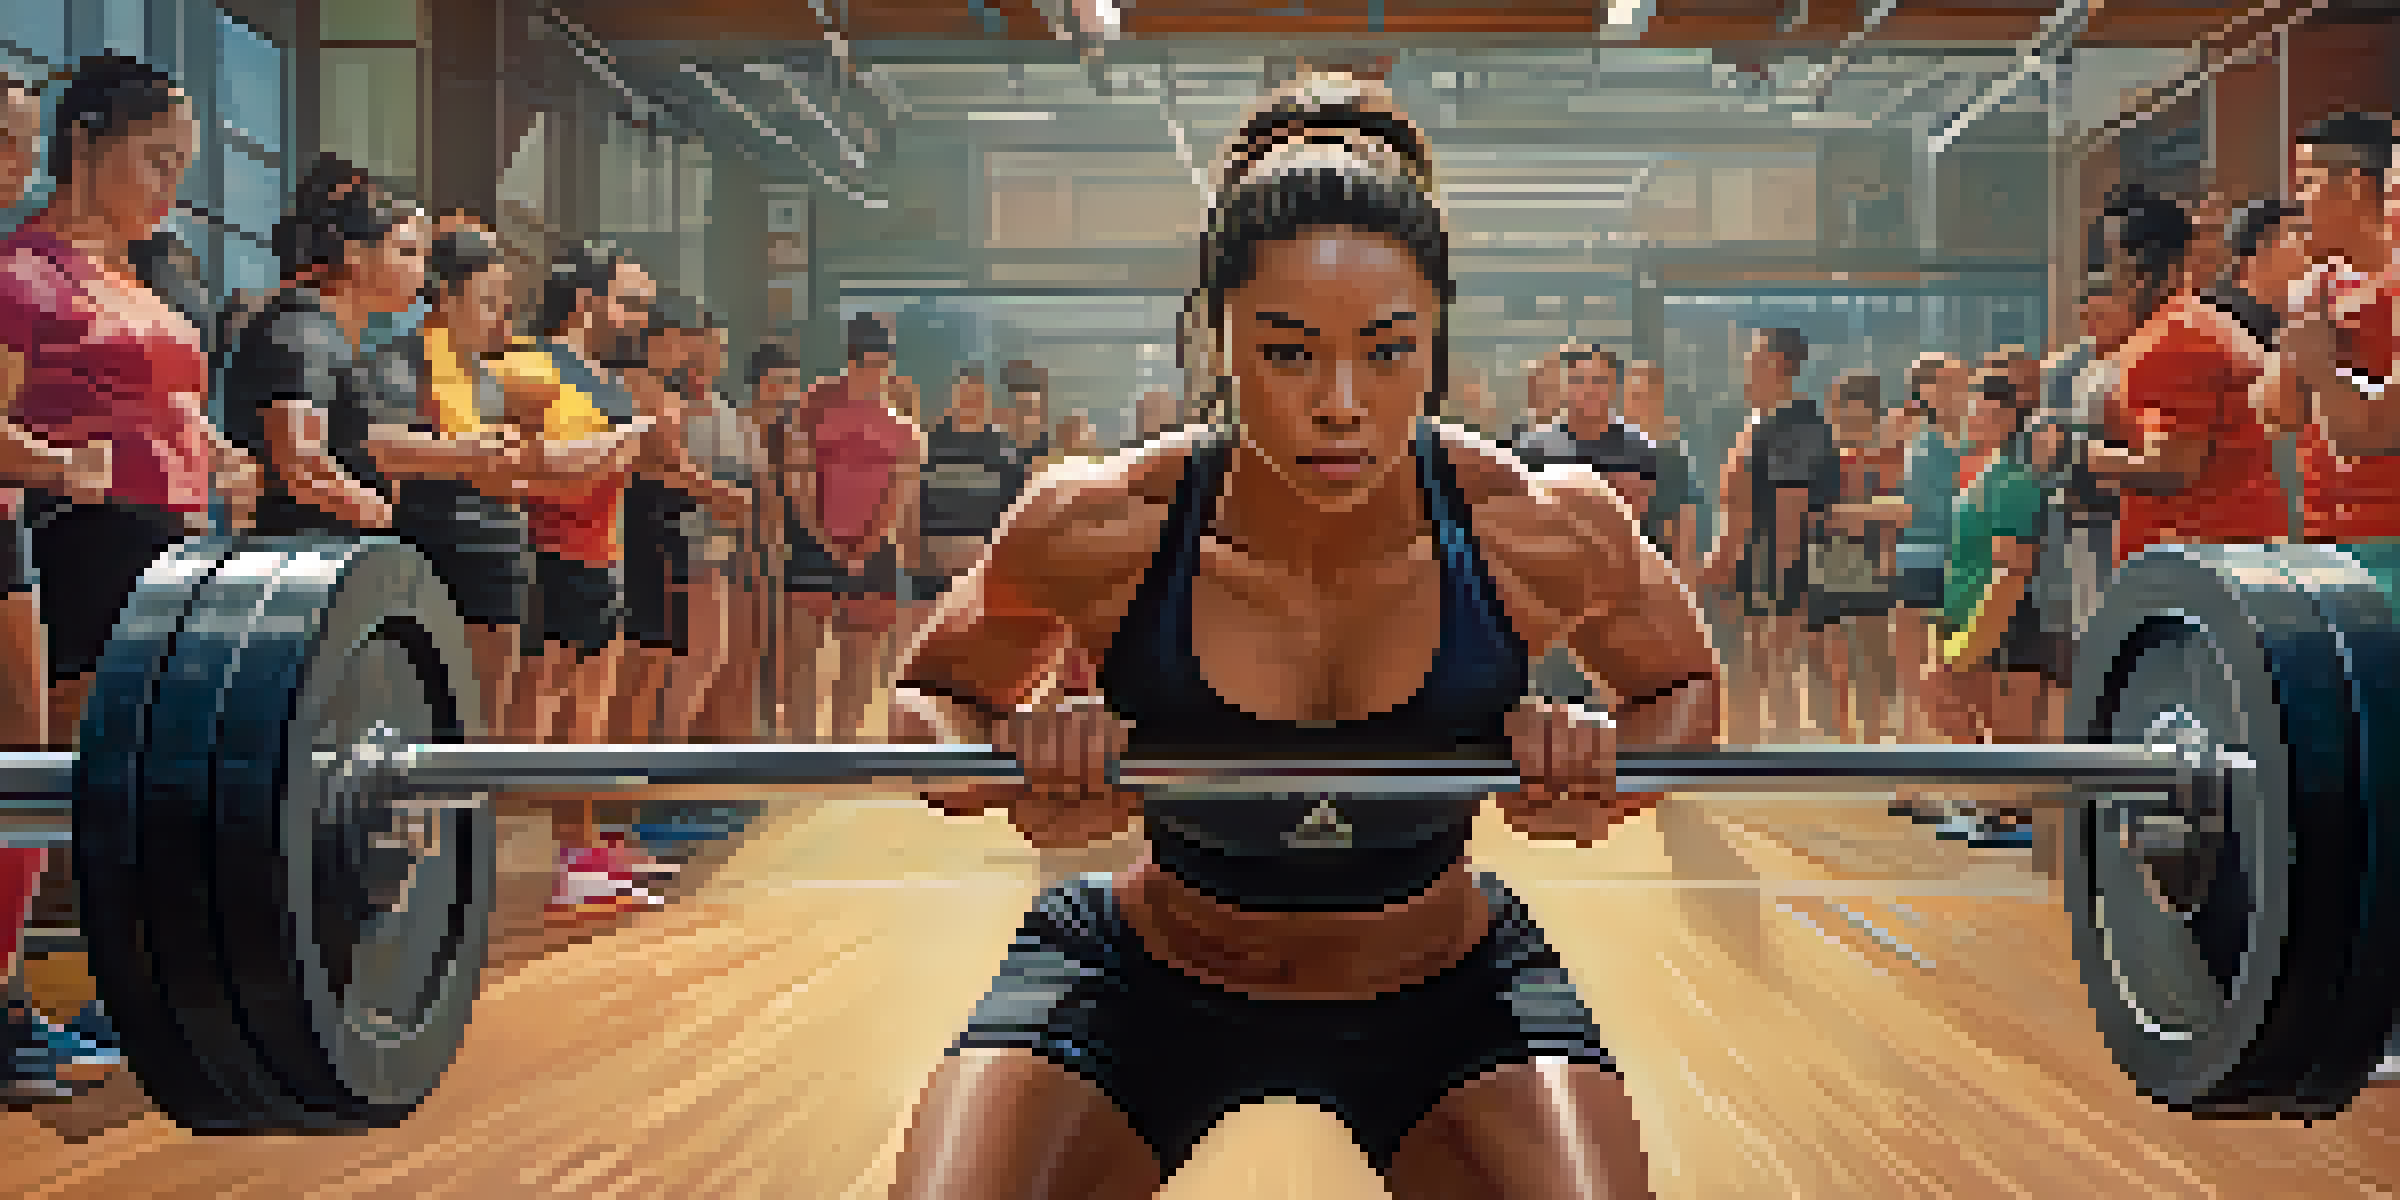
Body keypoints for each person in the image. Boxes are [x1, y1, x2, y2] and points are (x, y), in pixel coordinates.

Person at [888, 71, 1706, 1200]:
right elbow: (929, 698)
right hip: (1139, 974)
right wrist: (1008, 771)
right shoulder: (1101, 521)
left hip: (1450, 991)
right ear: (1218, 337)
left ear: (1435, 339)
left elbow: (1683, 687)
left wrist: (1608, 777)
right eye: (1286, 353)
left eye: (1388, 351)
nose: (1341, 402)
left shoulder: (1538, 525)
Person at [2, 54, 260, 1100]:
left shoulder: (134, 278)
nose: (170, 185)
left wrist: (221, 458)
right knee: (56, 780)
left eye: (181, 164)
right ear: (85, 144)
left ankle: (124, 989)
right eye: (155, 159)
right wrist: (62, 467)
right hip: (84, 545)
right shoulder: (24, 274)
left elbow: (167, 409)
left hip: (173, 545)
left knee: (146, 785)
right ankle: (15, 1001)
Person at [484, 241, 656, 874]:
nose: (640, 319)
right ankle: (498, 864)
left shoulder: (608, 380)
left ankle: (579, 851)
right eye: (629, 304)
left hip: (602, 557)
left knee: (589, 714)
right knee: (534, 716)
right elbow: (516, 465)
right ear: (588, 301)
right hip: (548, 556)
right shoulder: (526, 366)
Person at [366, 220, 541, 738]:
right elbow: (386, 449)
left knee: (487, 723)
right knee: (425, 711)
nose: (500, 316)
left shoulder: (488, 379)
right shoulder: (400, 364)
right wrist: (474, 453)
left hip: (498, 553)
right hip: (432, 552)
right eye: (488, 301)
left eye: (504, 303)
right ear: (446, 297)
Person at [2081, 184, 2287, 561]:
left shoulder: (2170, 337)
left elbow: (2175, 465)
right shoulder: (2205, 323)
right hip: (2225, 552)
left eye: (2106, 265)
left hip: (2192, 559)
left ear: (2134, 271)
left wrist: (2082, 456)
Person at [1924, 369, 2060, 846]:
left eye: (1982, 410)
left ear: (2007, 418)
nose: (1972, 416)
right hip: (1970, 613)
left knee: (2002, 723)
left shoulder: (2014, 482)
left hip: (1999, 617)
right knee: (1970, 713)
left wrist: (1982, 629)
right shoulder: (1986, 474)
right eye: (1972, 407)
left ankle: (2009, 815)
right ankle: (1996, 808)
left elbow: (2017, 562)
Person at [775, 315, 920, 743]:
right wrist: (823, 540)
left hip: (873, 553)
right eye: (867, 364)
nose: (875, 374)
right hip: (813, 547)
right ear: (851, 361)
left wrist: (867, 546)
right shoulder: (813, 408)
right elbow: (797, 479)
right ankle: (801, 752)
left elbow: (898, 495)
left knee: (860, 661)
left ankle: (846, 750)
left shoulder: (903, 428)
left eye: (882, 364)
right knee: (804, 658)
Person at [2264, 115, 2400, 544]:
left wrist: (2320, 367)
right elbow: (2282, 414)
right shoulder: (2315, 287)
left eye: (2308, 183)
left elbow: (2375, 435)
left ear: (2355, 186)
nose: (2297, 203)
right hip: (2322, 535)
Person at [1700, 327, 1836, 743]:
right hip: (1751, 568)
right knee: (1750, 667)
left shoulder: (1797, 427)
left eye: (1753, 358)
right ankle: (1749, 753)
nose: (1745, 367)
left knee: (1772, 667)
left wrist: (1775, 587)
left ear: (1777, 364)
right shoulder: (1764, 421)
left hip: (1773, 571)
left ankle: (1775, 760)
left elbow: (1791, 508)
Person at [1512, 346, 1661, 703]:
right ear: (1566, 386)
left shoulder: (1638, 448)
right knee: (1553, 698)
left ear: (1613, 387)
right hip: (1552, 596)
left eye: (1598, 380)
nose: (1589, 389)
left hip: (1618, 597)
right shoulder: (1533, 448)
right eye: (1579, 380)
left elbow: (1643, 522)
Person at [644, 295, 755, 743]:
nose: (715, 357)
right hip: (681, 540)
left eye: (720, 348)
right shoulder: (669, 403)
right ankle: (668, 748)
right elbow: (667, 472)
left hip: (717, 544)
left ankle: (680, 745)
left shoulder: (723, 407)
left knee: (709, 654)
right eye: (708, 345)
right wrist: (722, 498)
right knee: (691, 655)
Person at [1808, 371, 1904, 745]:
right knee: (1833, 657)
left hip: (1869, 560)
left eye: (1861, 414)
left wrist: (1886, 550)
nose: (1851, 422)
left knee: (1872, 654)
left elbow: (1896, 511)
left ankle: (1871, 738)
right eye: (1845, 412)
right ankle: (1842, 738)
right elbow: (1813, 514)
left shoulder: (1886, 459)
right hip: (1827, 559)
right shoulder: (1822, 458)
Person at [1891, 353, 1970, 745]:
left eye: (1962, 382)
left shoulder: (1977, 440)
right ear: (1925, 392)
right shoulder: (1918, 442)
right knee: (1913, 664)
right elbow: (1919, 503)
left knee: (1947, 663)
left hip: (1959, 560)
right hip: (1919, 556)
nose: (1959, 391)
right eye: (1948, 383)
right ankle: (1912, 745)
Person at [1623, 359, 1698, 568]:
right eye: (1633, 396)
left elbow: (1683, 519)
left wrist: (1681, 571)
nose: (1637, 405)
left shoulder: (1672, 457)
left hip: (1657, 564)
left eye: (1644, 396)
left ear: (1658, 400)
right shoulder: (1608, 450)